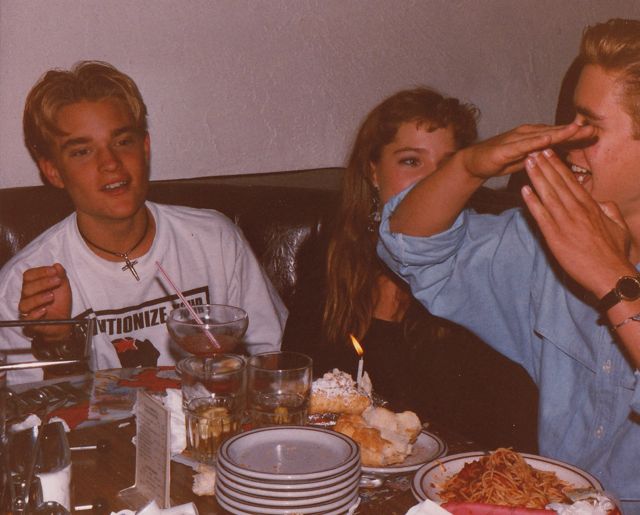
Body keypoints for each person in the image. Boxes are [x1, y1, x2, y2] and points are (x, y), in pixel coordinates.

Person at [378, 19, 640, 508]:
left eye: (589, 128)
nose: (568, 140)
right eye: (571, 121)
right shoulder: (549, 238)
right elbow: (411, 247)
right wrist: (467, 166)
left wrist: (611, 278)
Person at [0, 61, 287, 384]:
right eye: (82, 151)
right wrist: (57, 339)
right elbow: (31, 407)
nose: (110, 163)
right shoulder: (25, 286)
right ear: (53, 171)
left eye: (123, 141)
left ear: (145, 147)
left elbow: (273, 362)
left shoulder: (215, 240)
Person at [284, 88, 539, 451]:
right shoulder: (330, 255)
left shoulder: (482, 265)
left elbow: (495, 419)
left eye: (447, 166)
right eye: (411, 161)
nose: (432, 181)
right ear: (373, 171)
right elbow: (298, 383)